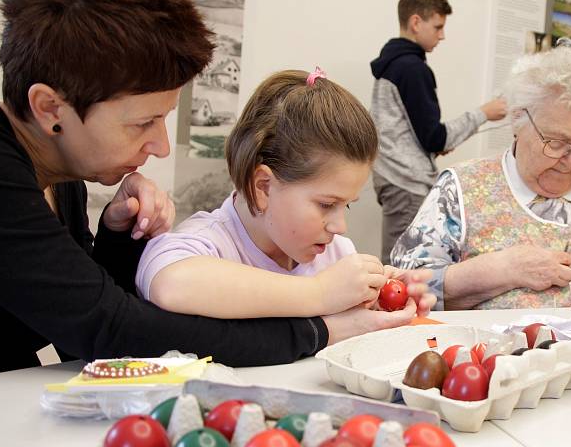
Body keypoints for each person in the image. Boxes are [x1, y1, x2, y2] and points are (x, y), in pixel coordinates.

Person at [0, 0, 406, 377]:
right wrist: (318, 324)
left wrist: (118, 236)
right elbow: (114, 331)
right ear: (50, 108)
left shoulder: (59, 177)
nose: (160, 146)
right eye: (143, 123)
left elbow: (75, 325)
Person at [391, 43, 571, 310]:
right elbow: (403, 287)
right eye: (556, 143)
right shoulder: (462, 188)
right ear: (518, 121)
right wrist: (501, 269)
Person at [136, 69, 435, 320]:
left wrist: (378, 308)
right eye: (327, 204)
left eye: (347, 206)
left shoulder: (338, 253)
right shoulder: (211, 242)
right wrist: (320, 294)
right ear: (263, 187)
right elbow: (170, 283)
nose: (339, 226)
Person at [370, 0, 508, 263]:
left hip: (392, 177)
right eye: (438, 27)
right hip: (406, 182)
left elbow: (414, 131)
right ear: (415, 22)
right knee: (402, 267)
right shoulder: (411, 69)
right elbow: (435, 137)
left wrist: (433, 145)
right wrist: (484, 113)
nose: (442, 36)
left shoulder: (392, 64)